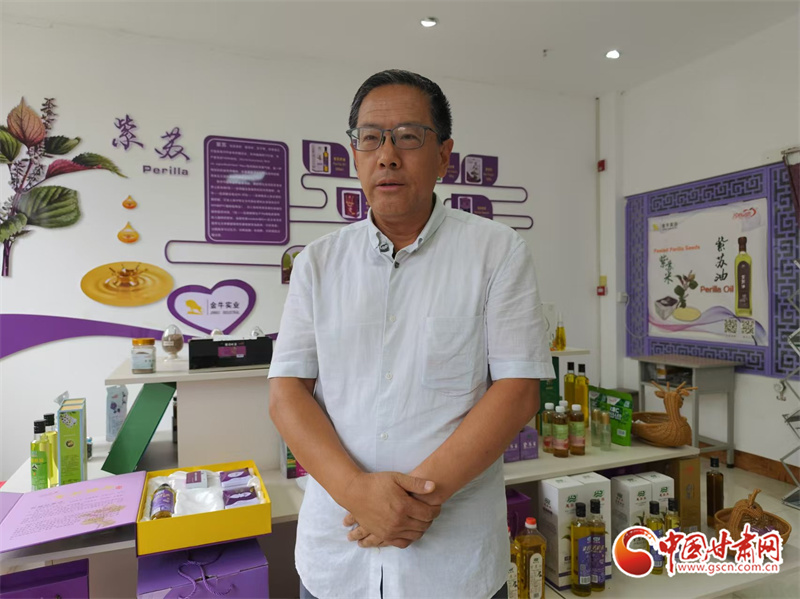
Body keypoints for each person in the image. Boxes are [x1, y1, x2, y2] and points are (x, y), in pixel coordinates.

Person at [268, 69, 554, 599]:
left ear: (444, 156)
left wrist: (406, 506)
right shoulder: (317, 264)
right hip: (338, 558)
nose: (387, 156)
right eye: (370, 138)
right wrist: (357, 492)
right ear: (355, 155)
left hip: (452, 566)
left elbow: (518, 392)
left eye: (407, 136)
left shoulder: (497, 252)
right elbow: (287, 394)